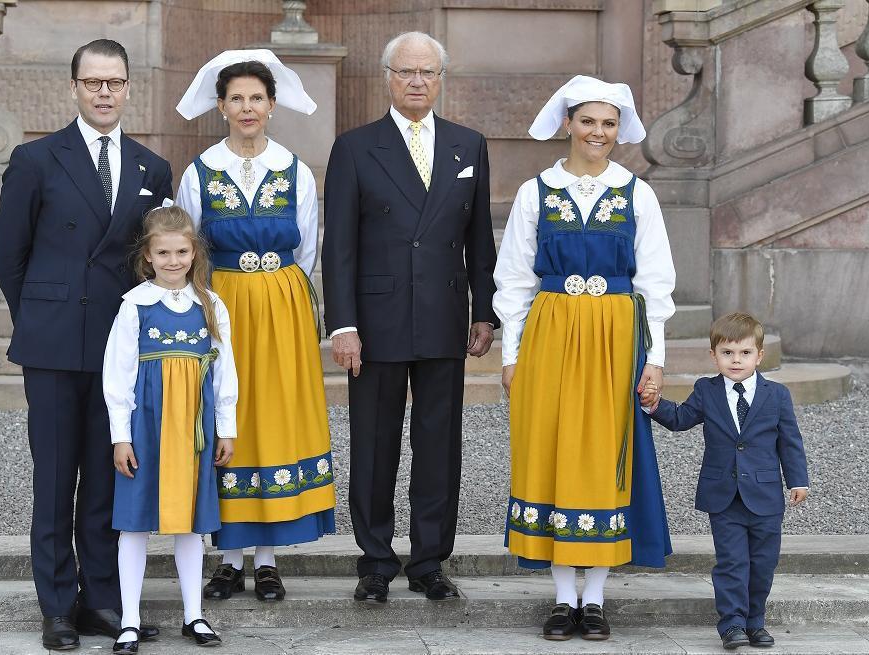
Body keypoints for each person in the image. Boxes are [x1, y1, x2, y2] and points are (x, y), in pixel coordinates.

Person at [0, 39, 173, 650]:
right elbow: (7, 253)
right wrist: (42, 312)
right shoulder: (36, 159)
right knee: (54, 477)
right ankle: (57, 605)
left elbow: (150, 263)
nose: (103, 92)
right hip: (52, 345)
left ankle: (101, 601)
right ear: (73, 87)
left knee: (106, 477)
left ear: (127, 88)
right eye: (93, 82)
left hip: (118, 349)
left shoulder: (152, 168)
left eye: (114, 82)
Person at [493, 75, 676, 640]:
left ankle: (593, 598)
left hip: (616, 336)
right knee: (548, 451)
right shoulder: (537, 192)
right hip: (549, 333)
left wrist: (656, 357)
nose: (599, 132)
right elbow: (515, 279)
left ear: (619, 130)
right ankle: (559, 597)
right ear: (568, 124)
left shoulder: (635, 192)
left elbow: (655, 283)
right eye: (589, 121)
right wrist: (511, 351)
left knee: (601, 455)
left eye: (609, 123)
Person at [322, 31, 498, 603]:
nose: (417, 82)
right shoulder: (354, 147)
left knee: (439, 445)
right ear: (387, 78)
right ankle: (375, 560)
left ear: (441, 78)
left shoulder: (468, 146)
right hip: (376, 322)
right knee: (373, 445)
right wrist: (342, 324)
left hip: (445, 316)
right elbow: (339, 246)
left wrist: (484, 310)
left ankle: (429, 561)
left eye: (426, 72)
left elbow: (479, 238)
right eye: (405, 72)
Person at [175, 49, 334, 602]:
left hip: (282, 305)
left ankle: (266, 560)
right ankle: (229, 557)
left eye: (257, 98)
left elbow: (309, 247)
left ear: (271, 105)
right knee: (227, 416)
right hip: (223, 304)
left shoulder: (294, 170)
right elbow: (187, 248)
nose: (247, 107)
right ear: (221, 106)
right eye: (236, 98)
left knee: (274, 415)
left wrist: (292, 301)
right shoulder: (200, 172)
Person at [102, 205, 238, 653]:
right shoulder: (134, 307)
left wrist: (226, 426)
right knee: (135, 524)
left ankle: (194, 614)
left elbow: (225, 372)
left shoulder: (210, 304)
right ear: (148, 257)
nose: (173, 260)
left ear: (194, 252)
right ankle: (129, 620)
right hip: (147, 426)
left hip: (193, 428)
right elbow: (117, 377)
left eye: (181, 251)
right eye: (164, 253)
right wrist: (120, 435)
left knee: (190, 525)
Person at [643, 312, 809, 650]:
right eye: (727, 353)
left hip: (765, 496)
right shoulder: (707, 390)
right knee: (733, 561)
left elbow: (790, 441)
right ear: (713, 355)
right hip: (724, 495)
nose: (736, 360)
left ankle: (755, 622)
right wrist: (654, 404)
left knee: (763, 563)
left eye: (745, 353)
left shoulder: (776, 395)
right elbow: (680, 419)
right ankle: (732, 624)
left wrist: (798, 480)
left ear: (759, 356)